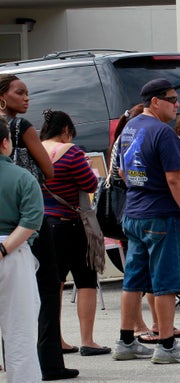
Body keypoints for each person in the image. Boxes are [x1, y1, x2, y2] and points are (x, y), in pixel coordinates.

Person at [112, 78, 180, 364]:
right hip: (161, 214)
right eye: (172, 99)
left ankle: (126, 341)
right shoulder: (164, 134)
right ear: (155, 101)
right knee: (165, 281)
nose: (177, 105)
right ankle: (167, 345)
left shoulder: (130, 128)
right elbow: (175, 178)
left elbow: (123, 172)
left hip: (134, 212)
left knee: (133, 280)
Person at [0, 74, 79, 381]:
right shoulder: (21, 127)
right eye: (20, 93)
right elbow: (49, 168)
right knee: (47, 286)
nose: (27, 98)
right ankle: (49, 360)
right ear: (3, 97)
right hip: (28, 211)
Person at [39, 110, 108, 357]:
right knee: (86, 280)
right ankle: (88, 340)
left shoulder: (35, 151)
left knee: (53, 284)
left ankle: (55, 338)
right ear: (66, 130)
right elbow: (90, 184)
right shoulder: (71, 152)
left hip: (45, 224)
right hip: (71, 224)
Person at [0, 118, 44, 382]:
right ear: (6, 143)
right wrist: (4, 249)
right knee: (20, 333)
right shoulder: (23, 177)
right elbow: (30, 220)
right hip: (13, 253)